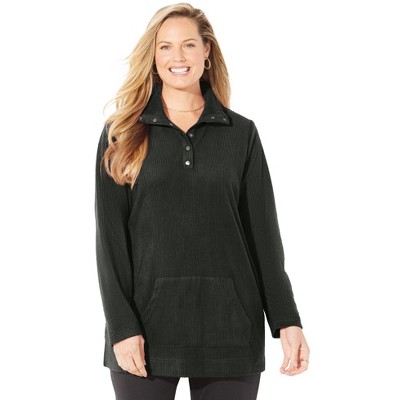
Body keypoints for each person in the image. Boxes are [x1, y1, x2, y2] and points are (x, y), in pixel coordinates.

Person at [95, 3, 310, 399]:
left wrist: (287, 320)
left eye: (189, 45)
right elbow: (110, 242)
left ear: (206, 50)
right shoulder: (121, 133)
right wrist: (123, 328)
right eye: (165, 46)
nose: (177, 57)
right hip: (145, 330)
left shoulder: (241, 134)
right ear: (153, 56)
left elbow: (263, 237)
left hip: (231, 329)